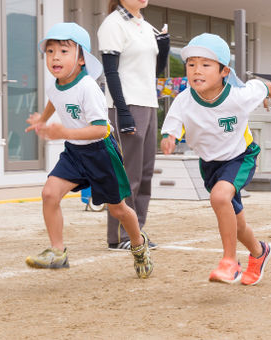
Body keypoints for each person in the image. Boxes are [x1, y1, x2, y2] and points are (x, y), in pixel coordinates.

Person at [160, 33, 271, 285]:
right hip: (210, 165)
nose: (197, 70)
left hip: (241, 157)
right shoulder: (184, 100)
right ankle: (260, 252)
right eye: (191, 64)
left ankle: (230, 262)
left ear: (223, 71)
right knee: (238, 226)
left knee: (219, 197)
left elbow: (268, 88)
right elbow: (172, 125)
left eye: (206, 64)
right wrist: (169, 137)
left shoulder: (239, 95)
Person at [24, 23, 153, 278]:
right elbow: (54, 98)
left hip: (101, 154)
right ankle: (58, 252)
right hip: (74, 153)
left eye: (63, 50)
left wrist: (63, 132)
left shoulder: (88, 88)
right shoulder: (55, 84)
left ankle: (138, 245)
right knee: (50, 194)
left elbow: (101, 130)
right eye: (50, 52)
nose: (55, 57)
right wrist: (43, 119)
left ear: (82, 59)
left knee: (118, 210)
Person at [98, 0, 170, 251]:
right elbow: (111, 72)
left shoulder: (145, 25)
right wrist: (123, 110)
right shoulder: (113, 24)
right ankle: (119, 235)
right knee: (127, 174)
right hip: (126, 105)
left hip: (149, 103)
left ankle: (136, 232)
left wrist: (164, 48)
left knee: (145, 173)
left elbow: (155, 71)